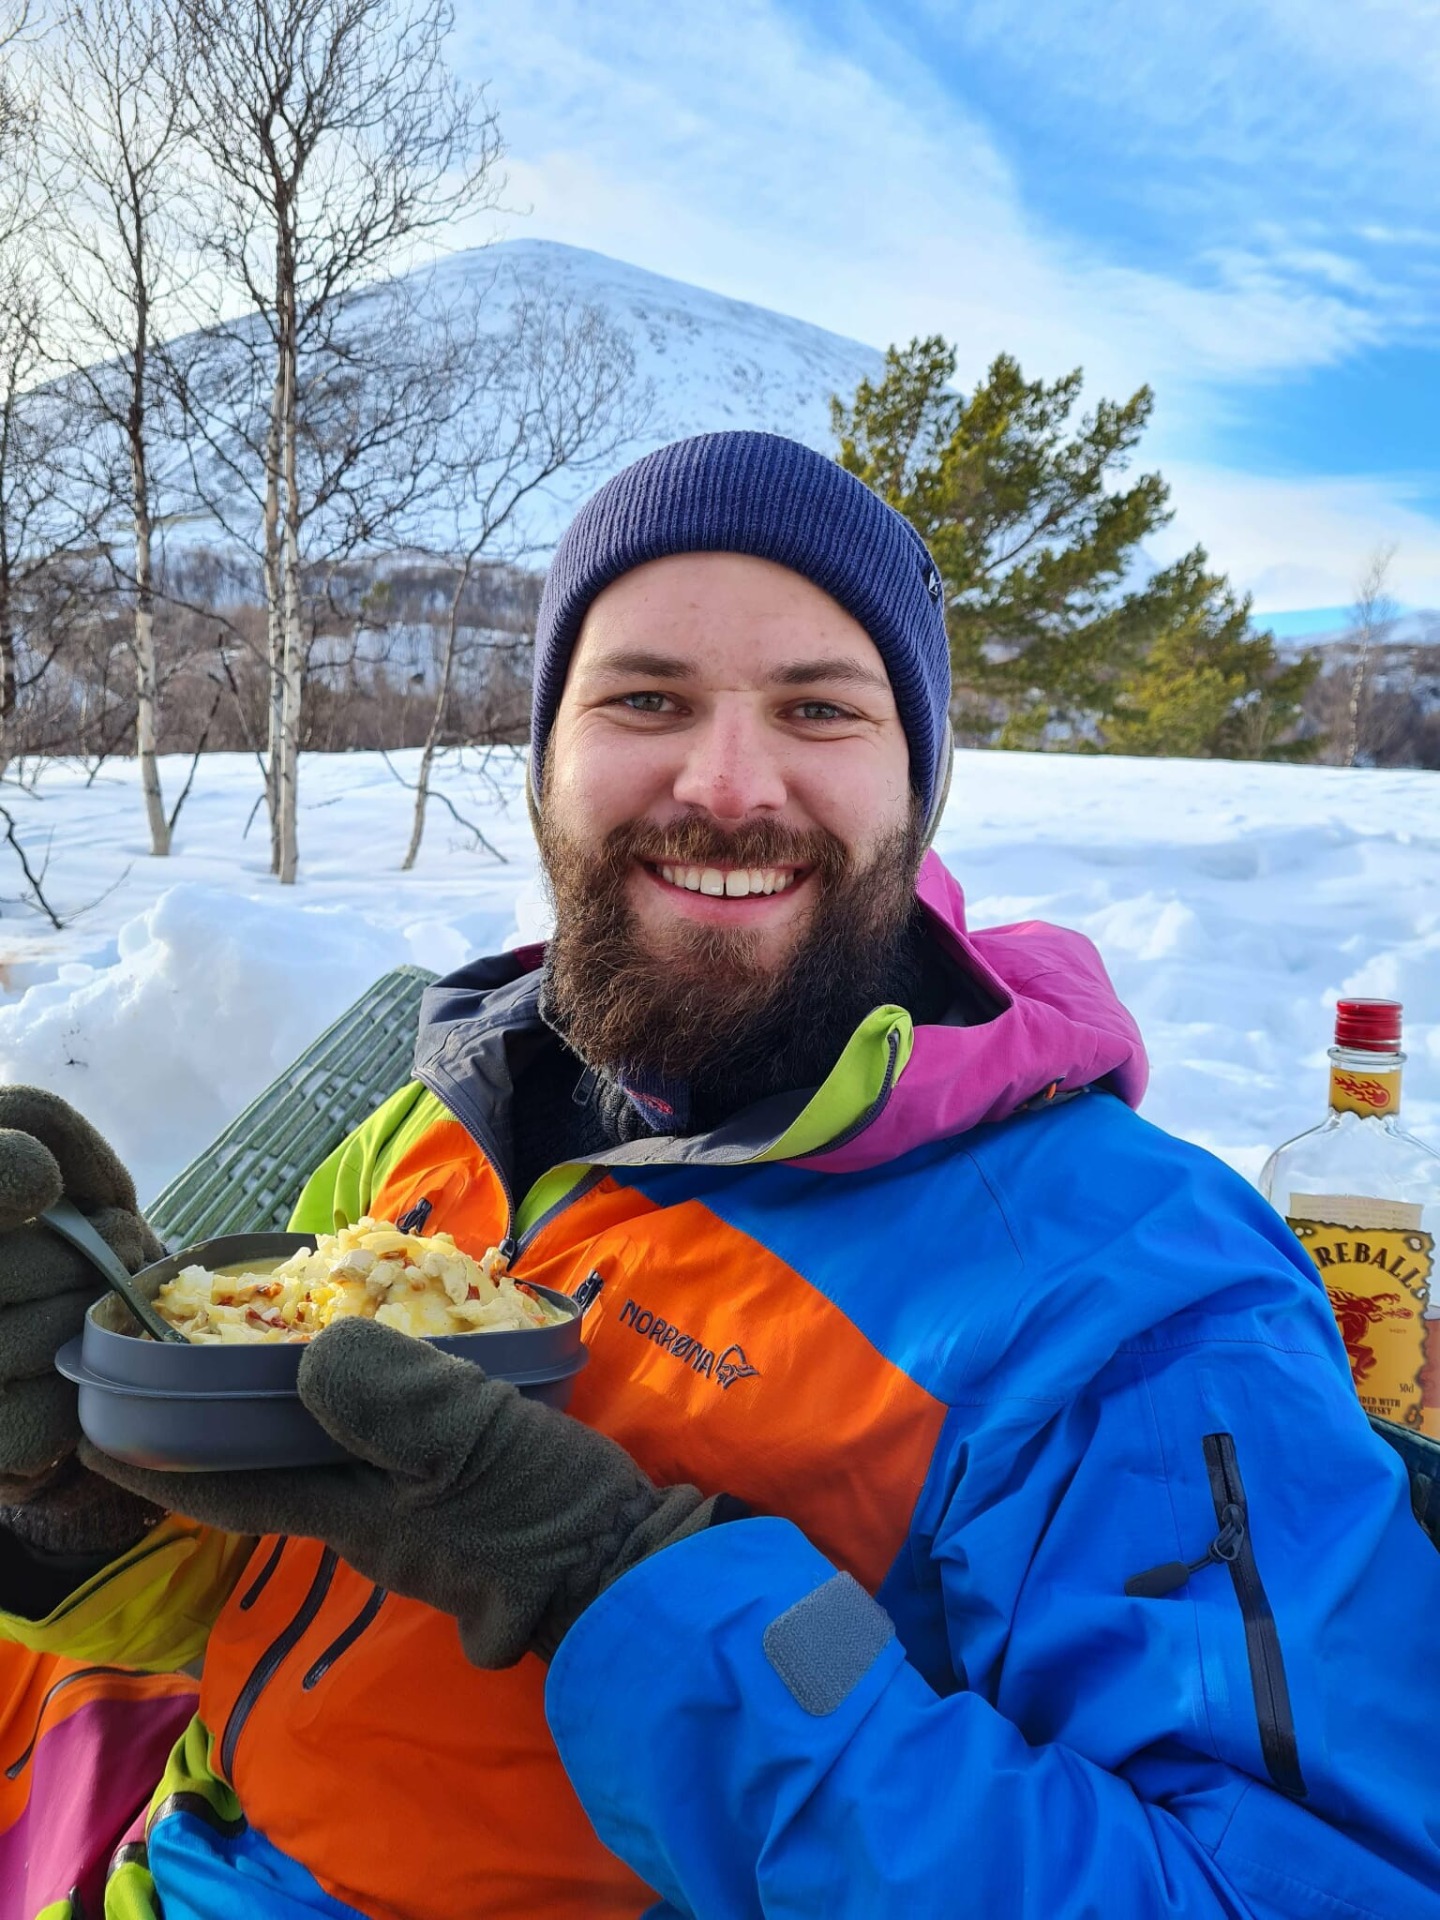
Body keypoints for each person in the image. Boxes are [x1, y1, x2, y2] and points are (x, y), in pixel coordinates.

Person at [2, 430, 1438, 1920]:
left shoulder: (1130, 1287)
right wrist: (79, 1492)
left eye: (819, 707)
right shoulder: (444, 1126)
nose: (727, 782)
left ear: (916, 788)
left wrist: (623, 1588)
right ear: (547, 762)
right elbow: (262, 1602)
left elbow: (1294, 1888)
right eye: (644, 698)